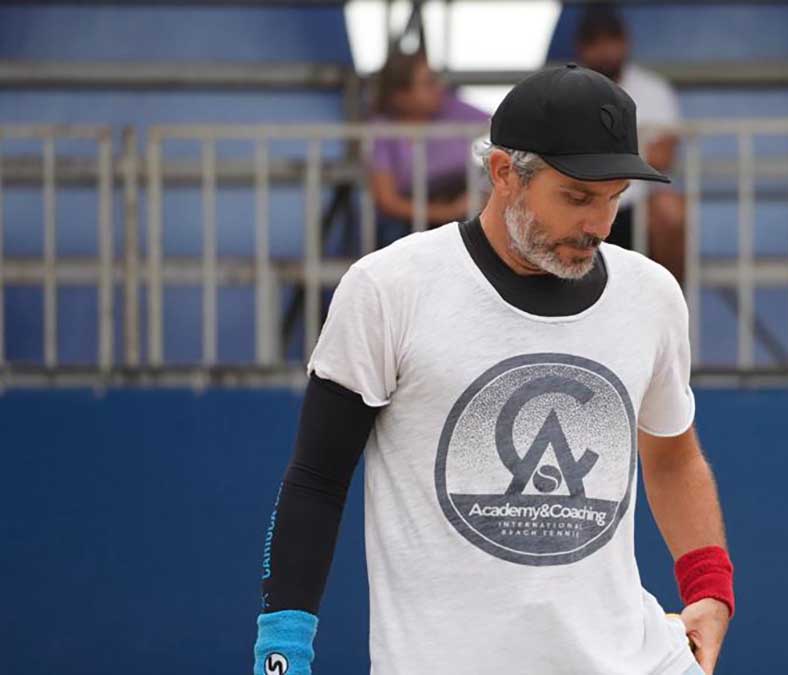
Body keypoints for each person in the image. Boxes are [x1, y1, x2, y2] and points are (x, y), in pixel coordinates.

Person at [252, 64, 734, 675]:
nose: (599, 225)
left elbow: (673, 456)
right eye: (578, 197)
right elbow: (317, 480)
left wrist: (710, 588)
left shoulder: (652, 294)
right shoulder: (389, 288)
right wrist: (283, 650)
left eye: (613, 198)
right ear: (505, 173)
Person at [576, 3, 687, 282]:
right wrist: (632, 143)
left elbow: (662, 156)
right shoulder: (565, 89)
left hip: (635, 202)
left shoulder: (652, 89)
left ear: (625, 41)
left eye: (611, 39)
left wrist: (595, 145)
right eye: (594, 41)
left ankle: (670, 301)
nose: (604, 49)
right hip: (579, 198)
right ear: (581, 48)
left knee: (669, 211)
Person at [369, 49, 489, 243]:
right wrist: (447, 212)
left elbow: (502, 131)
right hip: (410, 223)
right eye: (428, 83)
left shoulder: (453, 108)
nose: (438, 88)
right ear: (400, 95)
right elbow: (387, 200)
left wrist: (483, 195)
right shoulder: (383, 130)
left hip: (461, 206)